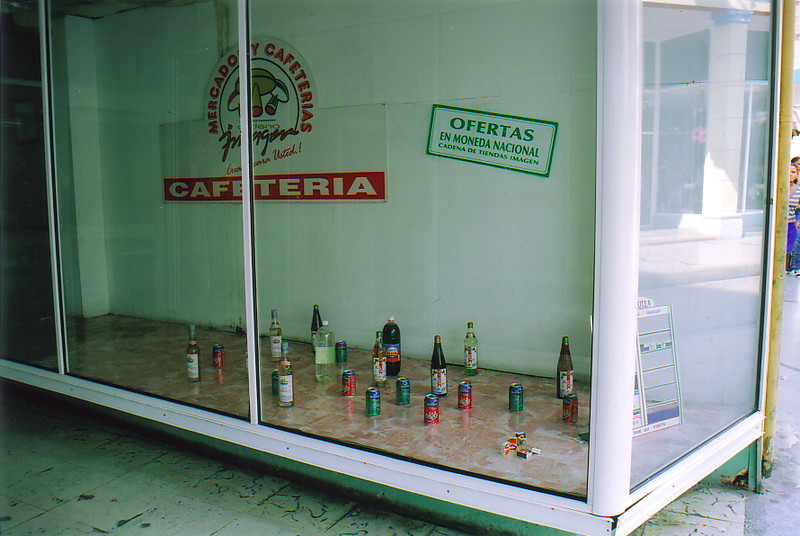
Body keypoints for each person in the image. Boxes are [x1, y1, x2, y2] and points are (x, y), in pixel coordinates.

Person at [787, 158, 800, 272]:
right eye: (788, 172)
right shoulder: (779, 188)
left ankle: (789, 268)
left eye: (793, 172)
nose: (790, 175)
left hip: (791, 223)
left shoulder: (798, 190)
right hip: (777, 222)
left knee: (790, 247)